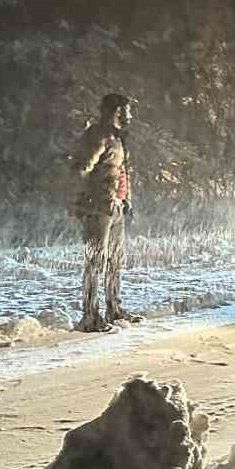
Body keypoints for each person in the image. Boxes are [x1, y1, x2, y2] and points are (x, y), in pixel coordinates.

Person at [68, 93, 136, 332]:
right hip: (98, 206)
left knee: (115, 261)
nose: (131, 115)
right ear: (117, 110)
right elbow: (80, 169)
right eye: (128, 110)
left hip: (115, 206)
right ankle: (90, 316)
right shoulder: (98, 135)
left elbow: (121, 170)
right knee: (95, 262)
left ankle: (113, 309)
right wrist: (80, 201)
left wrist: (125, 198)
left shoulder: (117, 137)